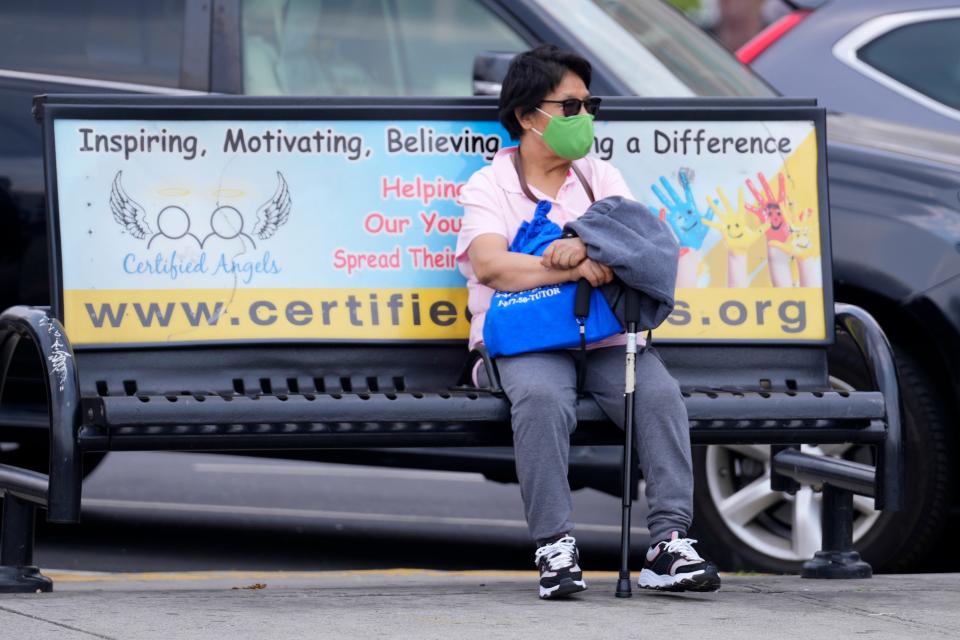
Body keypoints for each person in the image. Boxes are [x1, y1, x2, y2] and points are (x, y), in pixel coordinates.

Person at [455, 45, 721, 599]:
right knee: (544, 400)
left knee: (659, 397)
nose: (586, 118)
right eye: (571, 107)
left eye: (589, 104)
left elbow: (642, 254)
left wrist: (581, 250)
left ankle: (668, 543)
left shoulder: (602, 177)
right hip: (528, 340)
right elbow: (491, 266)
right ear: (529, 116)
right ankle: (554, 543)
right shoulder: (489, 184)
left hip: (604, 336)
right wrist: (574, 258)